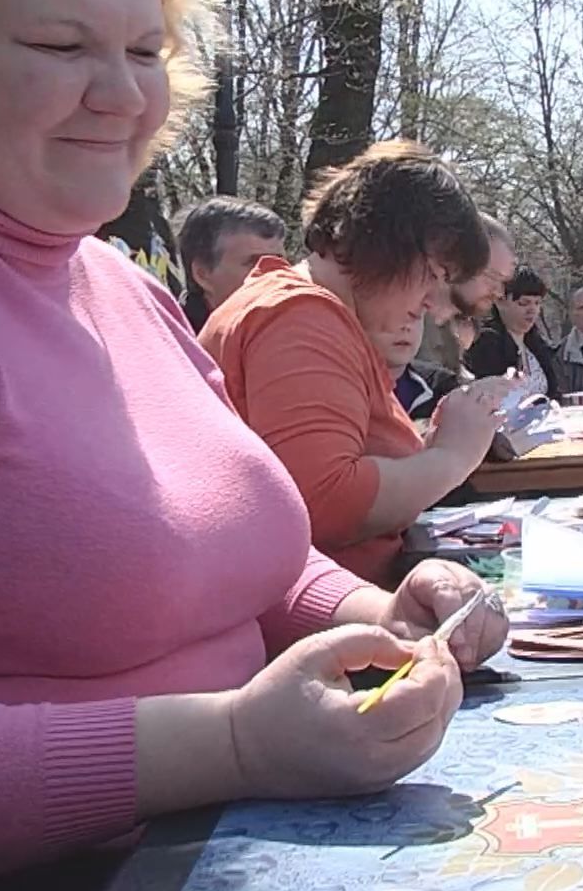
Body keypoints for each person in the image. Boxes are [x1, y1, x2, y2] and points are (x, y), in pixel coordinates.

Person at [0, 0, 503, 891]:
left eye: (143, 52)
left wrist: (381, 616)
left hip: (251, 856)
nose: (121, 96)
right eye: (58, 44)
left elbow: (249, 561)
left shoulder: (119, 285)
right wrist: (229, 744)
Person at [200, 141, 504, 585]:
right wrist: (454, 456)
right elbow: (326, 502)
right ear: (387, 244)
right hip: (327, 628)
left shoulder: (308, 311)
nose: (432, 303)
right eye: (433, 274)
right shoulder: (299, 318)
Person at [416, 214, 515, 375]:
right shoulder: (403, 329)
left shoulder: (451, 335)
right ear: (456, 261)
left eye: (503, 282)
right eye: (492, 277)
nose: (499, 292)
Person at [174, 196, 286, 332]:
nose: (274, 275)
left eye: (279, 262)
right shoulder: (171, 344)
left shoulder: (292, 330)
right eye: (256, 264)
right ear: (202, 274)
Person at [467, 265, 564, 397]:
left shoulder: (539, 346)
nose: (532, 310)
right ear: (499, 301)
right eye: (524, 303)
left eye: (537, 303)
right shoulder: (486, 344)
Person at [373, 313, 460, 424]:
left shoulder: (442, 388)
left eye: (415, 315)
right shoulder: (348, 387)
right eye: (391, 315)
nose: (406, 326)